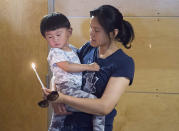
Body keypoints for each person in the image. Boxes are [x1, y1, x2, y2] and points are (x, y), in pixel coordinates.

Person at [45, 5, 135, 131]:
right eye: (91, 27)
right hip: (67, 124)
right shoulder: (88, 48)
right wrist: (54, 96)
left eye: (96, 30)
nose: (91, 33)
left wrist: (63, 98)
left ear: (113, 33)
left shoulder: (123, 62)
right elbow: (60, 72)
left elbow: (104, 107)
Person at [40, 12, 106, 131]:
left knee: (57, 121)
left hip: (70, 92)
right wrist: (89, 67)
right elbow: (67, 66)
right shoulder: (55, 52)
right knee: (96, 104)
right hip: (67, 89)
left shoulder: (74, 50)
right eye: (50, 37)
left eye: (58, 34)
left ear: (69, 32)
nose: (55, 39)